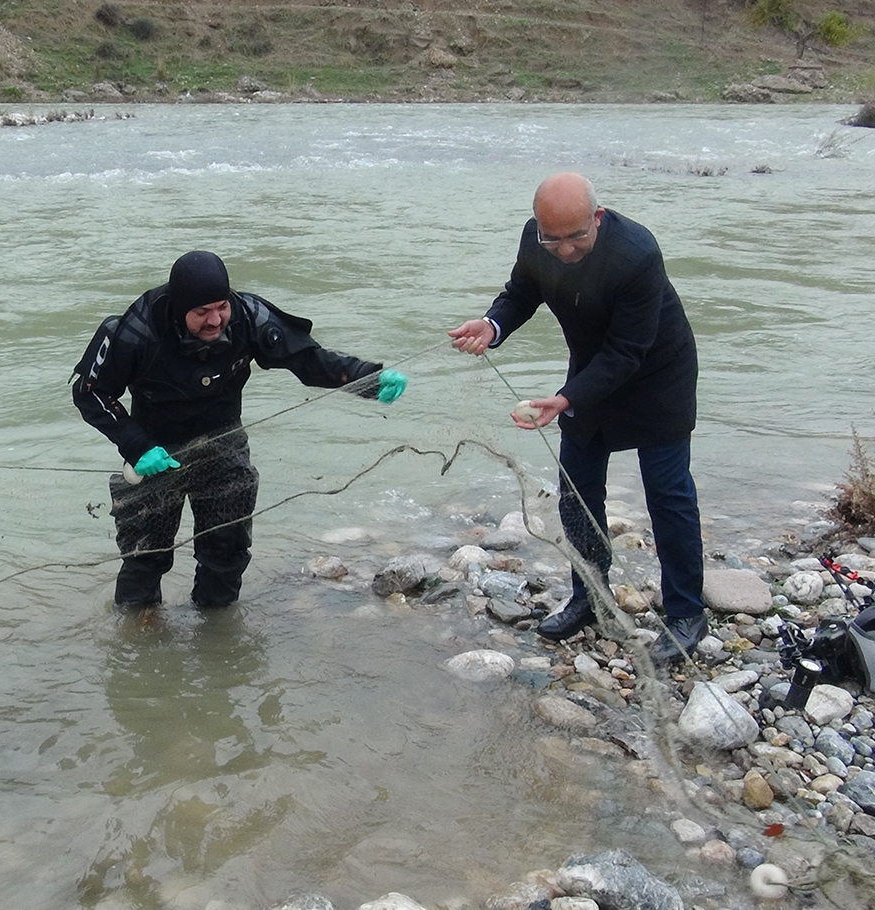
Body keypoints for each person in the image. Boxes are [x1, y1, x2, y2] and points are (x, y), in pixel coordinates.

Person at [448, 173, 706, 664]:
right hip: (590, 370)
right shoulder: (536, 237)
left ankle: (687, 614)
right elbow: (522, 293)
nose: (563, 250)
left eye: (576, 236)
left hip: (658, 374)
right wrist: (492, 324)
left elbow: (628, 351)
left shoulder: (638, 253)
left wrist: (565, 399)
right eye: (553, 237)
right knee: (578, 489)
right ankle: (589, 595)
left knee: (668, 493)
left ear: (598, 218)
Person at [72, 250, 407, 609]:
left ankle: (215, 635)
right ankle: (138, 639)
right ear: (179, 307)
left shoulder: (248, 316)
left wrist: (365, 379)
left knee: (226, 554)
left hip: (224, 445)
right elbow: (89, 393)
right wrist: (137, 445)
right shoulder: (137, 330)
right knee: (145, 556)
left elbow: (307, 359)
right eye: (201, 312)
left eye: (221, 306)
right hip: (155, 454)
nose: (215, 319)